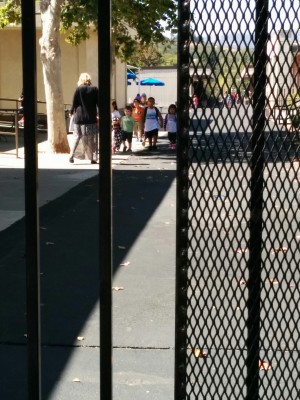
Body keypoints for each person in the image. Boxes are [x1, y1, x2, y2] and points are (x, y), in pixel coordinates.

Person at [69, 72, 98, 164]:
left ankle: (71, 155)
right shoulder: (94, 89)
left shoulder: (78, 89)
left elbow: (74, 102)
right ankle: (92, 158)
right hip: (90, 118)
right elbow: (98, 103)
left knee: (77, 137)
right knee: (91, 138)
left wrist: (71, 112)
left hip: (79, 117)